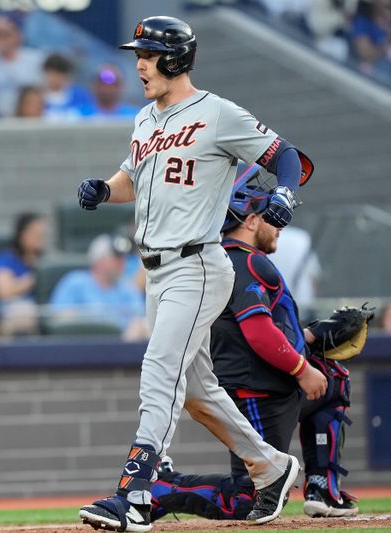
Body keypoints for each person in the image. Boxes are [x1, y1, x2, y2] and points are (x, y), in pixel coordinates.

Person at [76, 16, 315, 532]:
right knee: (195, 391)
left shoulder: (217, 113)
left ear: (176, 58)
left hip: (198, 263)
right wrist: (103, 188)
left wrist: (284, 194)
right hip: (157, 270)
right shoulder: (145, 118)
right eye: (137, 53)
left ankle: (137, 487)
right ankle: (271, 468)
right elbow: (133, 178)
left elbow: (288, 156)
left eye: (147, 54)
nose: (138, 63)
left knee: (159, 369)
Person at [150, 164, 359, 521]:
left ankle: (323, 489)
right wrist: (301, 368)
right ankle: (164, 488)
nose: (278, 225)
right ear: (249, 220)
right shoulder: (241, 263)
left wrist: (308, 339)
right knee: (250, 499)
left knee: (333, 380)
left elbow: (259, 328)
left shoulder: (236, 260)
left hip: (273, 385)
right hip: (256, 394)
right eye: (269, 216)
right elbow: (258, 333)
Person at [49, 234, 146, 338]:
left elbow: (140, 320)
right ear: (99, 260)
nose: (122, 263)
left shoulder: (128, 289)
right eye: (116, 258)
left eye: (123, 258)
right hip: (78, 345)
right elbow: (57, 317)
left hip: (117, 348)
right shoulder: (74, 282)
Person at [42, 53, 93, 121]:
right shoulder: (36, 98)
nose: (56, 77)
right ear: (45, 72)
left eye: (60, 73)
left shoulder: (79, 95)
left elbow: (89, 117)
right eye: (53, 73)